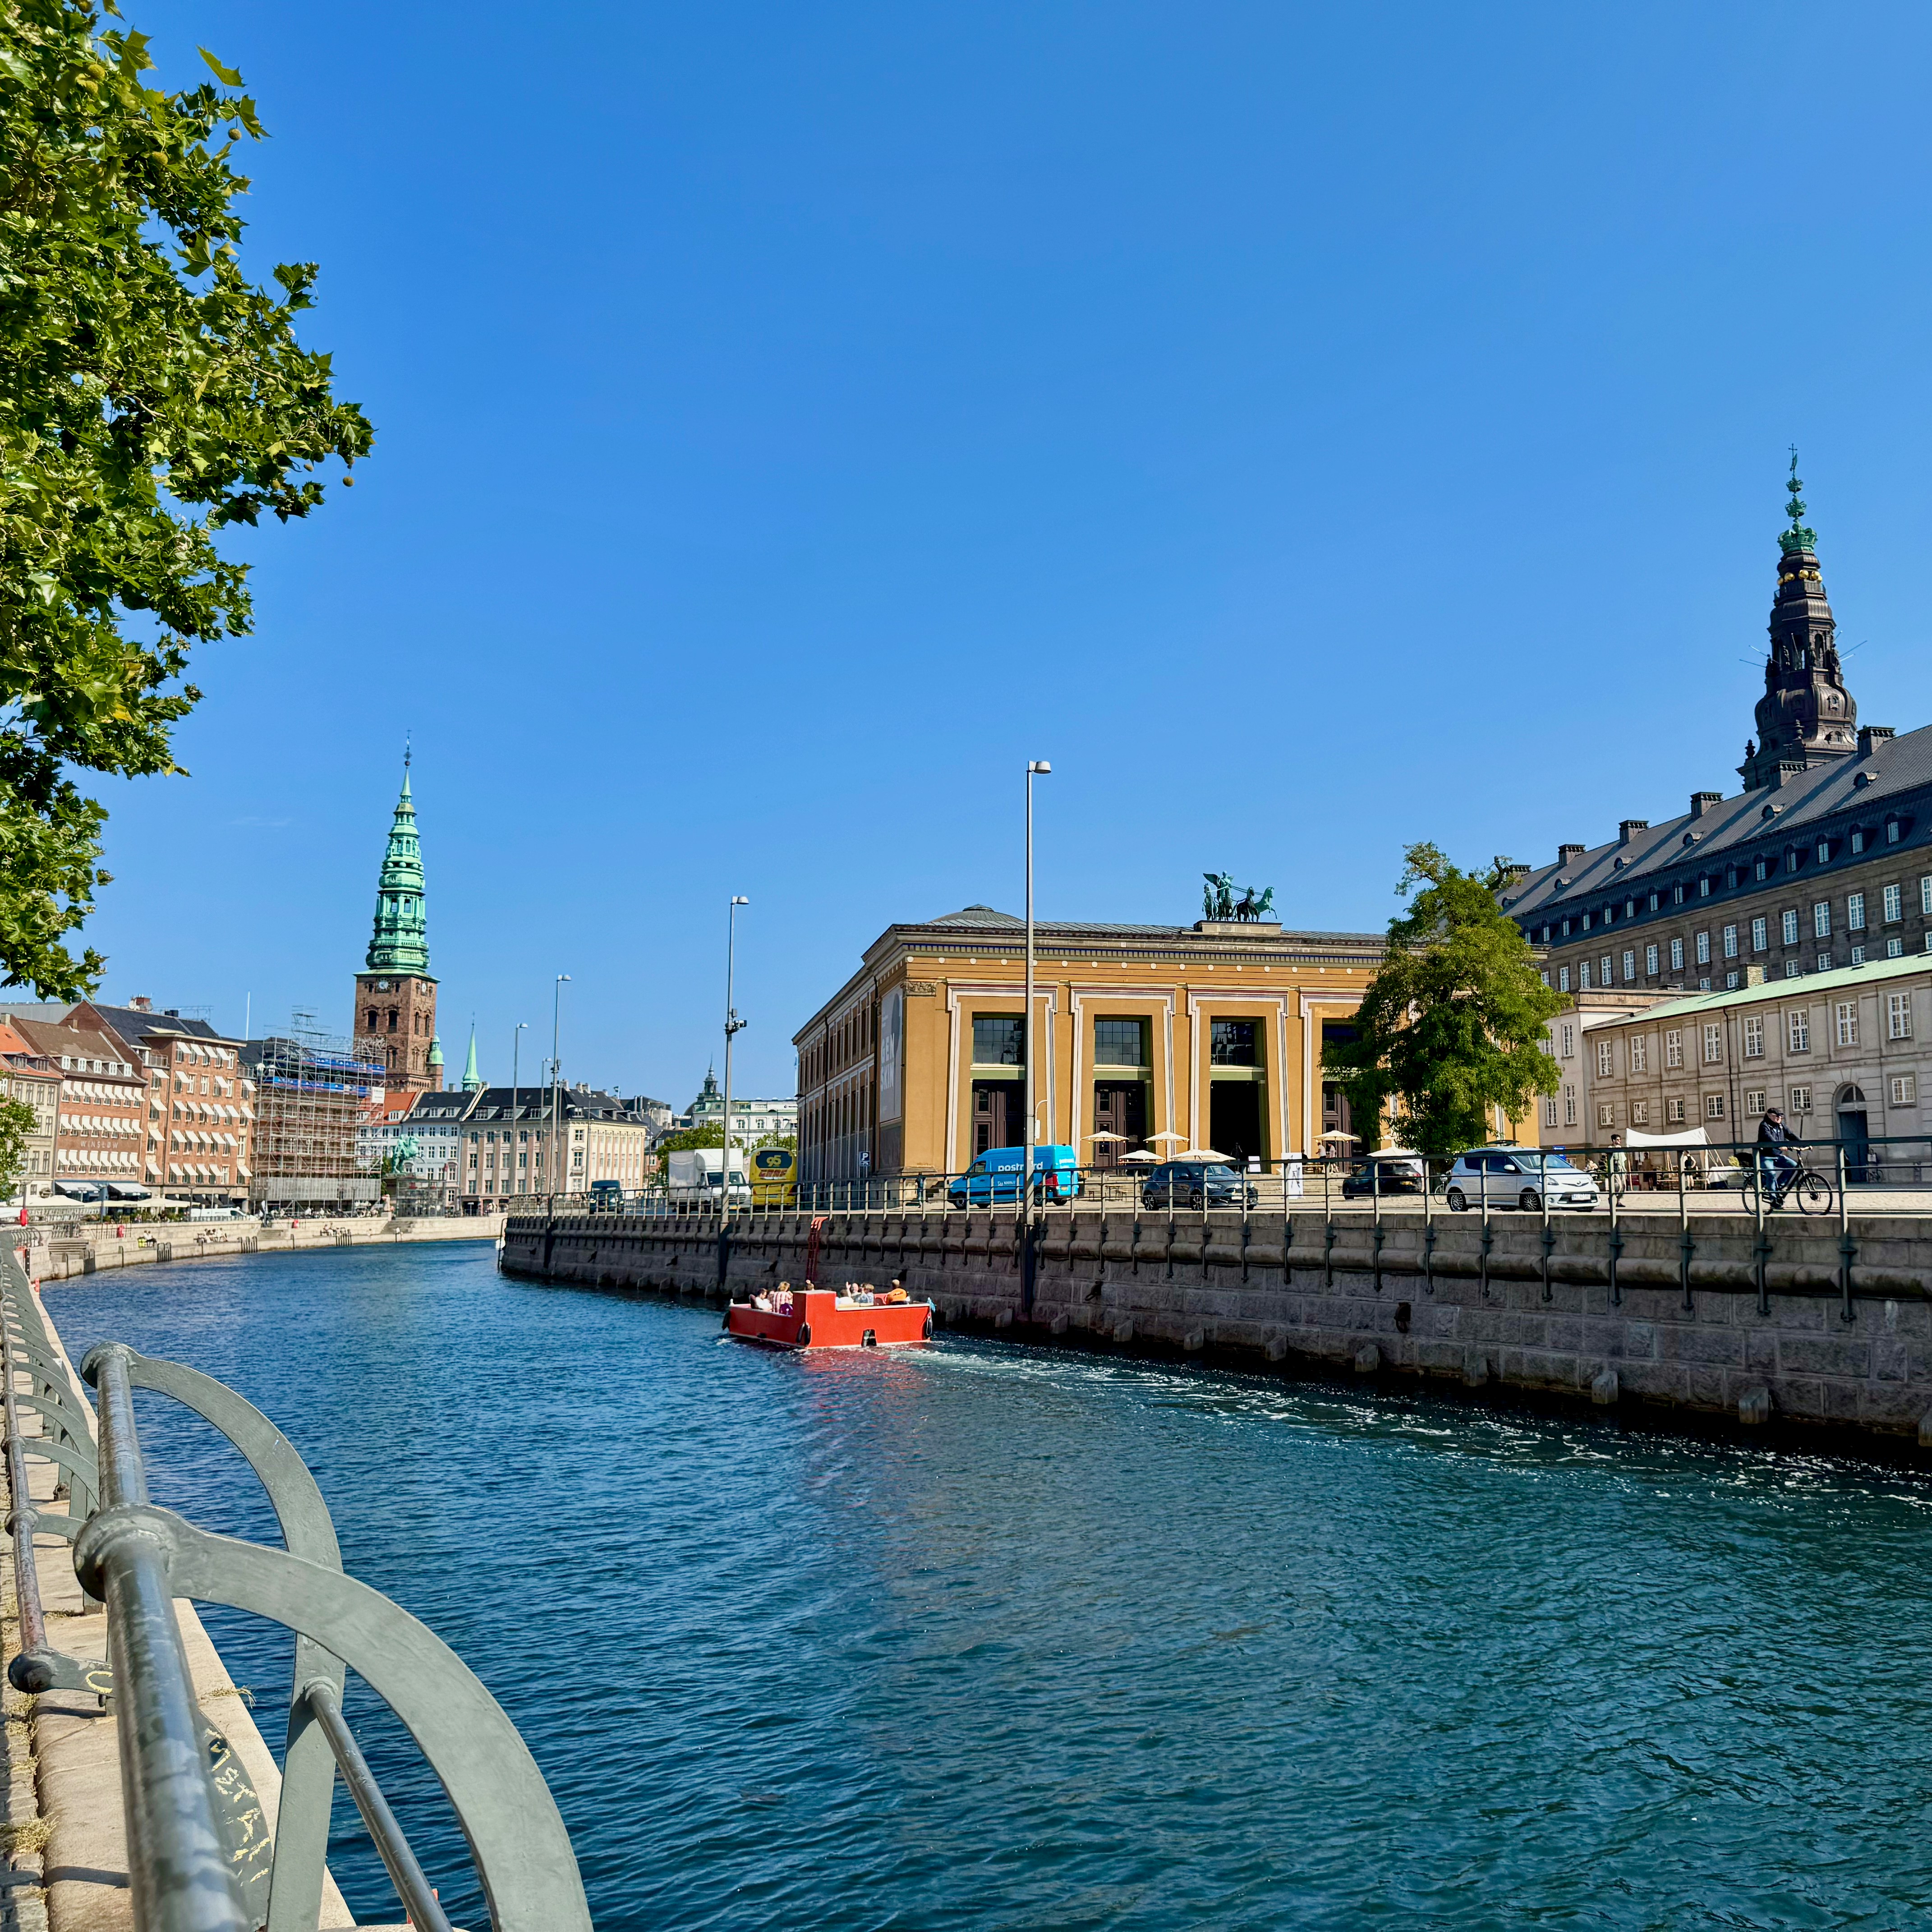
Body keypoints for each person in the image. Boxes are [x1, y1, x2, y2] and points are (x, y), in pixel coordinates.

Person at [1757, 1106, 1799, 1208]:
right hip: (1765, 1156)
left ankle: (1778, 1188)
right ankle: (1773, 1199)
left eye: (1781, 1117)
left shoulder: (1781, 1126)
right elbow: (1769, 1139)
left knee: (1793, 1166)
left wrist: (1803, 1144)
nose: (1779, 1119)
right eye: (1777, 1117)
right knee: (1771, 1173)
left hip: (1777, 1155)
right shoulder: (1764, 1126)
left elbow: (1791, 1135)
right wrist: (1780, 1146)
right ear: (1770, 1116)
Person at [1606, 1133, 1628, 1202]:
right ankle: (1612, 1197)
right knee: (1618, 1185)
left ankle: (1619, 1201)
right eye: (1618, 1140)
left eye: (1620, 1140)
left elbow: (1623, 1161)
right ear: (1614, 1141)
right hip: (1615, 1169)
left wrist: (1625, 1170)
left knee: (1624, 1185)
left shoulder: (1620, 1149)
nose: (1619, 1141)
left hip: (1621, 1169)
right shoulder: (1610, 1148)